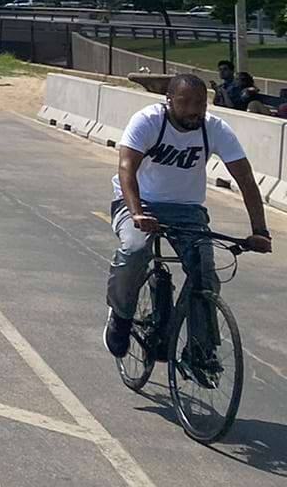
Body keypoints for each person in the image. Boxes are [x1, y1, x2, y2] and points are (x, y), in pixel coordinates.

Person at [103, 74, 272, 364]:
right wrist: (136, 213)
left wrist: (260, 231)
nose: (194, 111)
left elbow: (245, 179)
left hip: (187, 208)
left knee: (205, 274)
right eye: (185, 103)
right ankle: (120, 316)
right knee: (134, 251)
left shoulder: (214, 129)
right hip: (138, 202)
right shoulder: (148, 121)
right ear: (169, 101)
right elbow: (126, 168)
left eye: (200, 104)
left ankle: (200, 351)